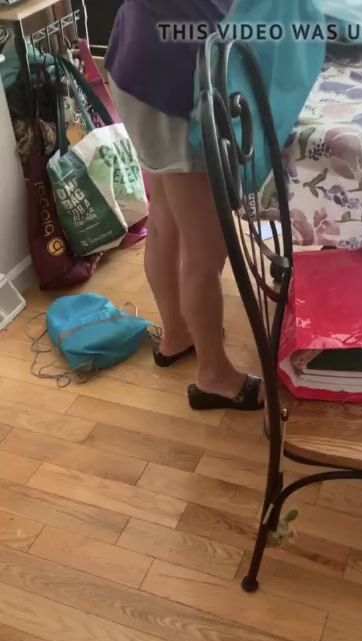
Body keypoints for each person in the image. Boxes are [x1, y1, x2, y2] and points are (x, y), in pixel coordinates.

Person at [105, 0, 264, 411]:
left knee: (166, 216)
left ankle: (177, 333)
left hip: (137, 63)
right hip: (173, 80)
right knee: (206, 247)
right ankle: (214, 375)